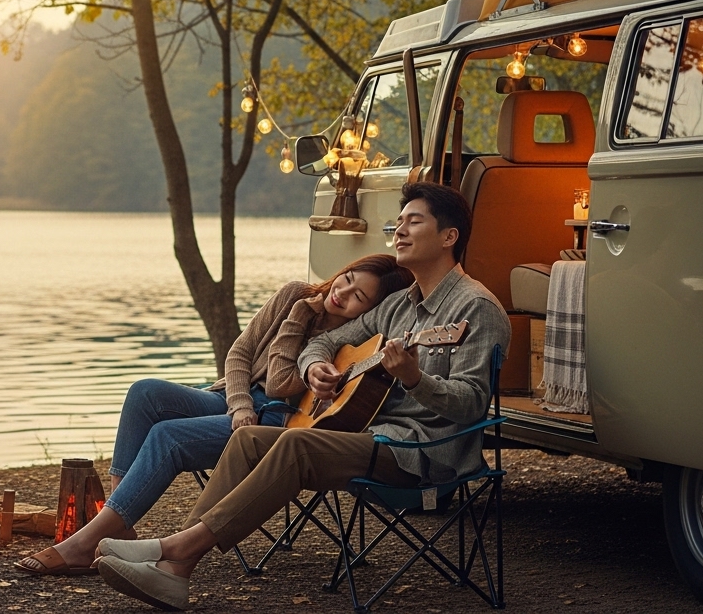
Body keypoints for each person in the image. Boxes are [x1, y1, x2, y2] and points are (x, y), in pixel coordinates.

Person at [94, 182, 511, 610]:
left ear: (449, 236)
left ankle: (174, 554)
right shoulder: (398, 306)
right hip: (374, 436)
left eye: (414, 221)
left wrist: (414, 378)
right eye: (398, 221)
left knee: (295, 442)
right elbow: (324, 343)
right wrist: (315, 367)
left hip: (423, 452)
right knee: (247, 438)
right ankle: (174, 565)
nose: (399, 230)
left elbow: (472, 404)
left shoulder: (476, 308)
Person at [16, 254, 414, 576]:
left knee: (168, 436)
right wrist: (239, 404)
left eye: (358, 296)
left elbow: (278, 385)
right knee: (144, 394)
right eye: (346, 278)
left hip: (279, 420)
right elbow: (239, 354)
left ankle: (85, 544)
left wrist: (297, 320)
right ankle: (117, 523)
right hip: (237, 399)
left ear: (370, 310)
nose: (342, 292)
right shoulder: (295, 293)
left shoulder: (354, 340)